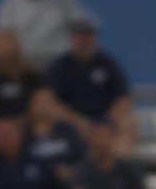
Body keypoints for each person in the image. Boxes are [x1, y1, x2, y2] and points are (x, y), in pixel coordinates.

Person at [47, 15, 135, 153]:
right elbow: (50, 101)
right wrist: (78, 122)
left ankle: (116, 165)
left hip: (104, 121)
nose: (84, 40)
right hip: (72, 124)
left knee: (129, 122)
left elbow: (123, 99)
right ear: (72, 38)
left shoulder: (108, 64)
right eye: (80, 35)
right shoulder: (60, 66)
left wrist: (106, 122)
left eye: (88, 35)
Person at [0, 29, 44, 127]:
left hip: (30, 126)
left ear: (16, 45)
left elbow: (42, 100)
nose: (5, 47)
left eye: (7, 42)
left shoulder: (30, 75)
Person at [24, 86, 85, 188]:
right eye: (39, 102)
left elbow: (82, 159)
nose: (43, 106)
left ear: (54, 105)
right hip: (35, 185)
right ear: (31, 105)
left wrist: (71, 170)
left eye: (47, 102)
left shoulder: (67, 130)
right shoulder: (23, 134)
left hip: (67, 183)